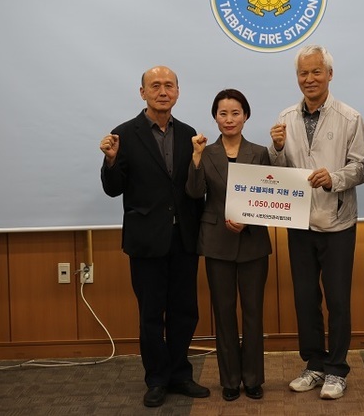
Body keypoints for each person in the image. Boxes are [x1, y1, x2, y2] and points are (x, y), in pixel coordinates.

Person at [99, 66, 210, 408]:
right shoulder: (123, 134)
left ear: (178, 91)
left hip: (184, 238)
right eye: (156, 86)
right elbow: (113, 189)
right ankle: (157, 378)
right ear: (142, 92)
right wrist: (110, 162)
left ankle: (180, 373)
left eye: (169, 86)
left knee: (184, 311)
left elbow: (194, 189)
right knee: (151, 314)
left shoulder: (189, 134)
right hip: (146, 239)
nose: (163, 91)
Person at [268, 44, 364, 400]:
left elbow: (361, 168)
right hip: (298, 223)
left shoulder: (350, 117)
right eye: (303, 73)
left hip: (337, 222)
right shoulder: (285, 118)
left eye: (316, 72)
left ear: (329, 74)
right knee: (305, 298)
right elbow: (278, 174)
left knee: (337, 300)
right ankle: (314, 364)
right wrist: (277, 149)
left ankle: (336, 369)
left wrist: (334, 178)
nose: (309, 79)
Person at [185, 88, 272, 402]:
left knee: (253, 313)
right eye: (223, 113)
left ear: (245, 116)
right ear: (215, 117)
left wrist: (249, 219)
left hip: (253, 242)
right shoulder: (205, 153)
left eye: (235, 113)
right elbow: (195, 193)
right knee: (223, 313)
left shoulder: (260, 152)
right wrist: (195, 158)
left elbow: (266, 196)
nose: (229, 119)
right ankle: (231, 380)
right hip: (217, 242)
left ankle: (253, 379)